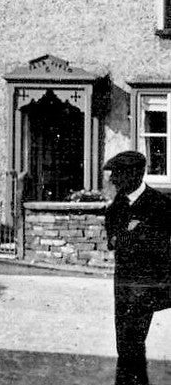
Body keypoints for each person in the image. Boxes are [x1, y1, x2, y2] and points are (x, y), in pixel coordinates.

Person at [105, 150, 171, 385]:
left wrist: (132, 235)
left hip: (150, 284)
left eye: (117, 174)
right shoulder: (116, 207)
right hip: (124, 284)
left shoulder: (161, 204)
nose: (113, 180)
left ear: (135, 174)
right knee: (125, 343)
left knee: (132, 341)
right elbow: (114, 241)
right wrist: (133, 233)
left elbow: (159, 243)